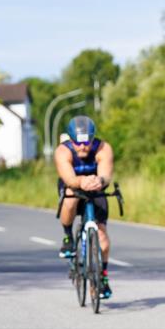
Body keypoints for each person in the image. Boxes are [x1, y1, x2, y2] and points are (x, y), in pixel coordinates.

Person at [55, 116, 115, 299]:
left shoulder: (103, 148)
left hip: (96, 189)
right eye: (78, 143)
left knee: (103, 239)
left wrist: (100, 180)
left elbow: (106, 174)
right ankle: (68, 236)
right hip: (73, 187)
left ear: (92, 138)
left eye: (87, 142)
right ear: (71, 140)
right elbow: (69, 178)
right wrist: (81, 181)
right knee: (71, 197)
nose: (83, 147)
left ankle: (103, 277)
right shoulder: (63, 151)